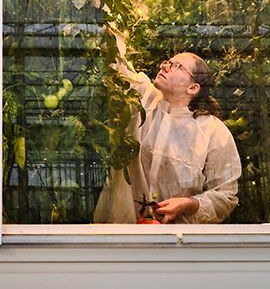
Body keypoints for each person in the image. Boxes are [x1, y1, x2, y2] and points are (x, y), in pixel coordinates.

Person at [96, 51, 241, 224]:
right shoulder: (144, 102)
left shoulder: (213, 131)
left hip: (179, 240)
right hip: (128, 231)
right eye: (167, 62)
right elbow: (118, 63)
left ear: (193, 88)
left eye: (176, 66)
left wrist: (189, 204)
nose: (164, 66)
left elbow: (225, 195)